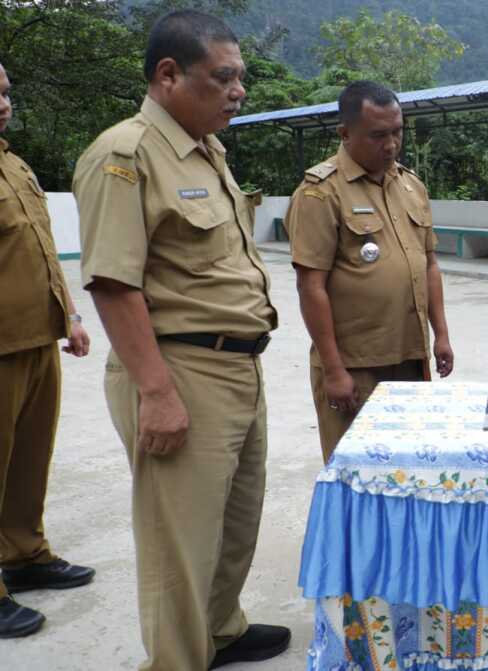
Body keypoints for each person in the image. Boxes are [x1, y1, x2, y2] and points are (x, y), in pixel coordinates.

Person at [73, 11, 290, 670]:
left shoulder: (206, 149)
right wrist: (158, 392)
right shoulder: (127, 152)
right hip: (180, 368)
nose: (238, 91)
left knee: (234, 520)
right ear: (169, 75)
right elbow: (113, 282)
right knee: (179, 542)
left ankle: (218, 628)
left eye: (241, 78)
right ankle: (177, 658)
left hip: (236, 367)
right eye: (222, 77)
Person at [285, 80, 453, 462]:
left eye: (398, 132)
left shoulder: (411, 185)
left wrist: (440, 334)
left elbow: (429, 264)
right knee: (356, 473)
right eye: (378, 135)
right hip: (356, 368)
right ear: (345, 133)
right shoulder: (320, 193)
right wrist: (333, 371)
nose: (391, 145)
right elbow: (311, 286)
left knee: (411, 467)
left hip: (410, 359)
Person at [0, 60, 95, 640]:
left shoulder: (14, 163)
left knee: (30, 457)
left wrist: (72, 316)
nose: (3, 102)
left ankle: (23, 552)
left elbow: (45, 249)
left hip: (37, 337)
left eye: (6, 91)